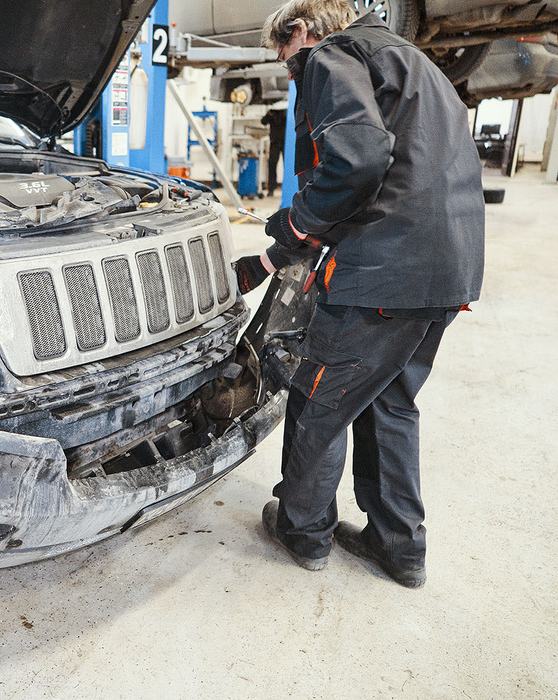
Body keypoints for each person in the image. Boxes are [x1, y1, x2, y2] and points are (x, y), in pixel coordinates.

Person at [232, 0, 484, 588]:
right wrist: (271, 259)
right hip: (446, 270)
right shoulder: (411, 62)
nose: (290, 70)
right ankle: (399, 548)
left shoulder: (332, 54)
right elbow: (393, 179)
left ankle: (303, 530)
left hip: (383, 272)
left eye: (285, 58)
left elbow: (358, 164)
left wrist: (294, 221)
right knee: (389, 402)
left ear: (300, 30)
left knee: (320, 400)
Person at [261, 104, 287, 196]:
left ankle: (286, 188)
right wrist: (269, 114)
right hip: (275, 142)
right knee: (272, 165)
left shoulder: (286, 112)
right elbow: (263, 121)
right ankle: (271, 189)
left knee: (287, 166)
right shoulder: (272, 112)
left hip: (285, 142)